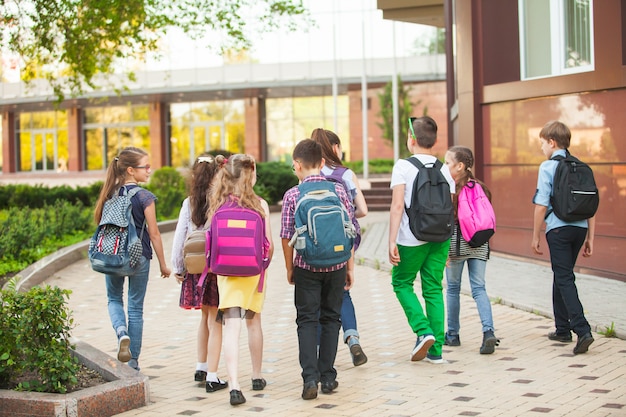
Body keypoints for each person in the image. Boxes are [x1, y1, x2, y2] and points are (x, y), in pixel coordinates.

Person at [280, 139, 355, 400]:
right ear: (323, 163)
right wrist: (349, 267)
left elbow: (285, 235)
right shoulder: (339, 190)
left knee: (307, 320)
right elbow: (350, 230)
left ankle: (309, 378)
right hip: (336, 264)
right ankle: (328, 376)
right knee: (332, 318)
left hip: (306, 266)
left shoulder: (292, 195)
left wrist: (290, 269)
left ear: (297, 165)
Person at [93, 146, 171, 371]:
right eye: (145, 167)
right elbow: (154, 234)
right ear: (130, 170)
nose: (149, 170)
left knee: (114, 299)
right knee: (135, 308)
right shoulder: (145, 197)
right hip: (139, 258)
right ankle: (133, 362)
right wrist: (164, 265)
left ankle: (121, 332)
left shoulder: (109, 193)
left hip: (113, 256)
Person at [208, 154, 274, 406]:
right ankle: (256, 375)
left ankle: (234, 385)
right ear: (250, 175)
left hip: (226, 273)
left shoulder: (217, 204)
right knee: (254, 322)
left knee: (231, 328)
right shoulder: (260, 205)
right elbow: (268, 248)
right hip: (253, 273)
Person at [388, 116, 455, 364]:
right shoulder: (445, 169)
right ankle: (436, 350)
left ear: (411, 139)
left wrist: (391, 240)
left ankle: (422, 330)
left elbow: (397, 206)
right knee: (434, 289)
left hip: (411, 237)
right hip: (440, 238)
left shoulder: (403, 166)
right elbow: (450, 207)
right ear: (435, 141)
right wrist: (449, 242)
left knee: (402, 283)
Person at [531, 120, 595, 355]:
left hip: (558, 229)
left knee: (564, 276)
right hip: (579, 230)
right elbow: (590, 205)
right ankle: (562, 329)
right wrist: (590, 238)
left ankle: (582, 329)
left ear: (551, 142)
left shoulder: (548, 167)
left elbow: (540, 205)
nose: (541, 149)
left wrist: (536, 235)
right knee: (562, 274)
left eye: (542, 144)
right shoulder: (581, 166)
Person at [311, 128, 369, 366]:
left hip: (314, 244)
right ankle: (352, 337)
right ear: (335, 148)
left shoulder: (308, 174)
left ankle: (316, 351)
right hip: (342, 243)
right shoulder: (345, 174)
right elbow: (363, 210)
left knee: (315, 297)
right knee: (342, 291)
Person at [170, 154, 228, 391]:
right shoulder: (221, 201)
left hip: (195, 268)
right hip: (216, 267)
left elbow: (179, 237)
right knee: (216, 321)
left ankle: (201, 366)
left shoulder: (189, 202)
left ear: (194, 176)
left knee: (204, 317)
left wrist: (177, 267)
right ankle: (213, 375)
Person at [443, 146, 499, 355]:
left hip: (456, 246)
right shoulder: (481, 187)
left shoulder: (450, 189)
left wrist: (444, 251)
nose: (444, 166)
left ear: (460, 166)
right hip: (479, 244)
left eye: (447, 163)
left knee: (453, 289)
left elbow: (446, 222)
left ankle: (452, 335)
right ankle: (488, 331)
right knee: (479, 289)